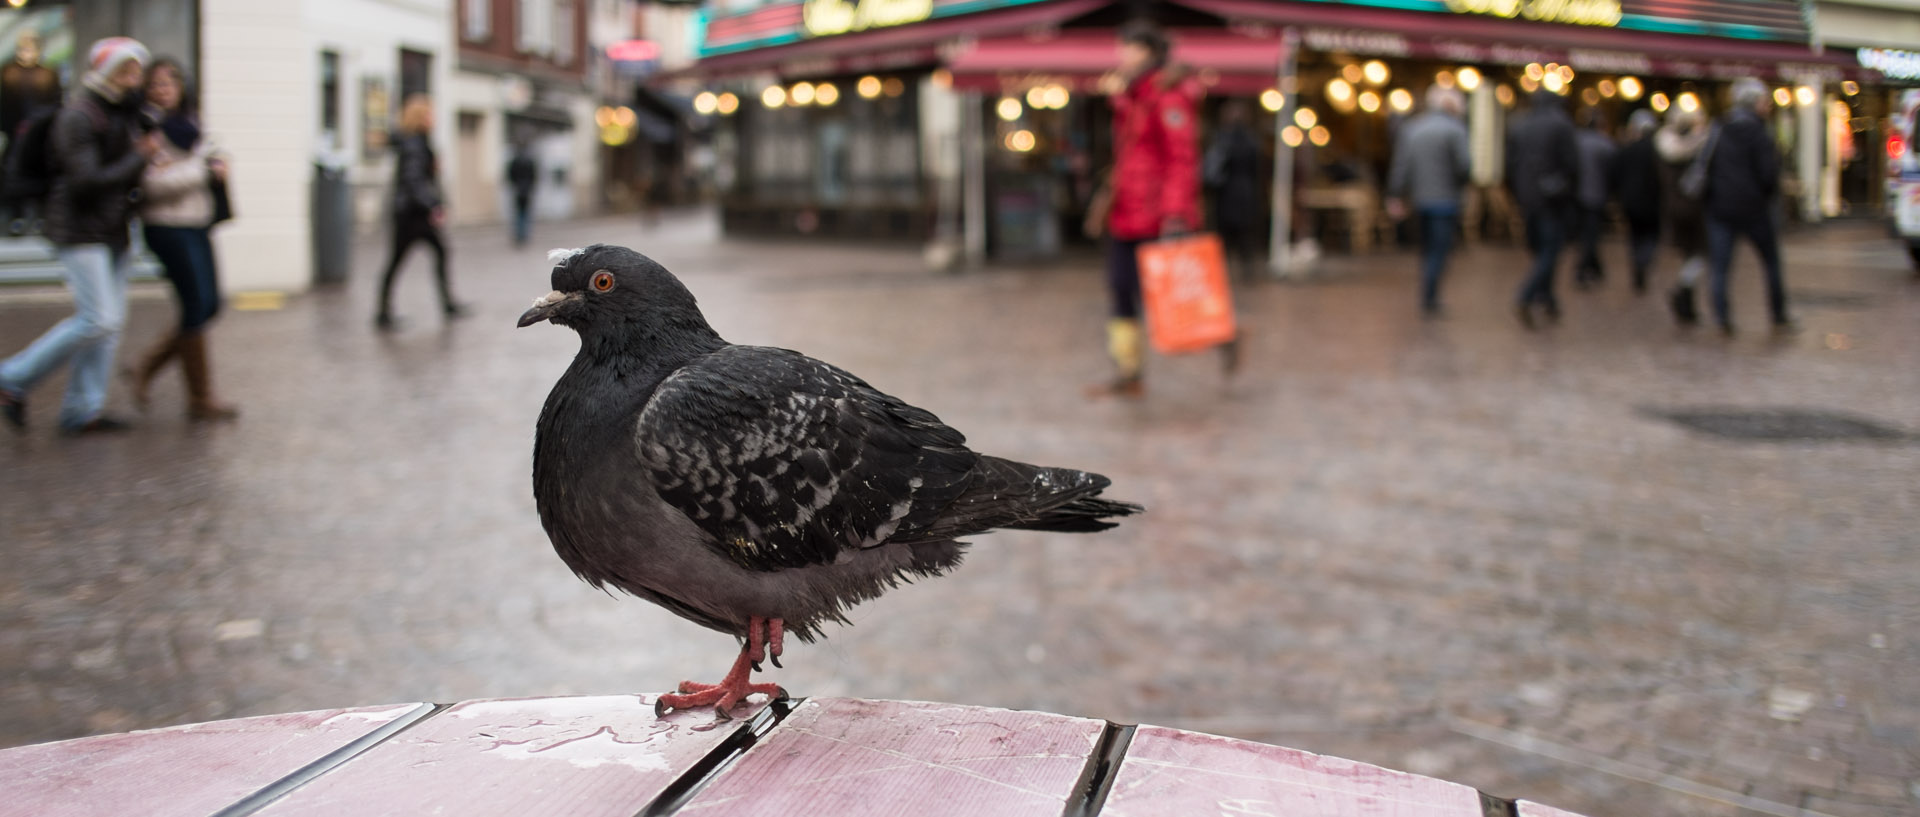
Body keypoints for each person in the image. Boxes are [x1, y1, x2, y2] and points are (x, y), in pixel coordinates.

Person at [0, 37, 156, 435]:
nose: (136, 76)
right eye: (127, 67)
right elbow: (86, 181)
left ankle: (83, 410)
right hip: (78, 229)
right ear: (107, 70)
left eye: (138, 68)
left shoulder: (127, 112)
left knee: (110, 325)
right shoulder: (79, 115)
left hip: (113, 229)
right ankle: (11, 377)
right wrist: (139, 156)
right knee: (98, 319)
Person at [1088, 22, 1202, 398]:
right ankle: (1129, 372)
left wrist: (1174, 213)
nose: (1123, 56)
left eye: (1131, 49)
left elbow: (1181, 158)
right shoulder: (1131, 96)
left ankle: (1226, 337)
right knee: (1121, 288)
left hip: (1155, 213)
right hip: (1127, 211)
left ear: (1151, 54)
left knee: (1169, 299)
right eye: (1121, 48)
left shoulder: (1167, 97)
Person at [125, 57, 237, 421]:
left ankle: (147, 366)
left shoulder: (190, 124)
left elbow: (208, 158)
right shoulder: (145, 131)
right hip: (166, 226)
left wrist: (218, 164)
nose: (163, 90)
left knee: (210, 305)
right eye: (155, 84)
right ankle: (200, 398)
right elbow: (152, 185)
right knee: (195, 304)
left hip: (196, 222)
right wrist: (203, 171)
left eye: (169, 83)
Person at [1703, 77, 1791, 335]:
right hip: (1754, 209)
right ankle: (1778, 314)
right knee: (1771, 262)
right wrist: (1765, 197)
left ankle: (1721, 317)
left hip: (1721, 207)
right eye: (1764, 101)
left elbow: (1706, 165)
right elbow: (1768, 174)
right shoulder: (1759, 131)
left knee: (1720, 266)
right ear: (1754, 103)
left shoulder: (1720, 127)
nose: (1768, 106)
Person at [375, 93, 465, 330]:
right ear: (419, 117)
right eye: (429, 113)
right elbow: (413, 181)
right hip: (412, 215)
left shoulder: (417, 142)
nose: (433, 117)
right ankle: (384, 313)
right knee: (400, 261)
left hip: (411, 212)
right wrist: (433, 205)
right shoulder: (415, 144)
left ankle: (446, 305)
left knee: (436, 254)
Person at [1386, 85, 1470, 317]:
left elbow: (1401, 165)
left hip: (1420, 200)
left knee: (1427, 249)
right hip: (1446, 200)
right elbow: (1464, 166)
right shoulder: (1455, 129)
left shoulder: (1412, 128)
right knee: (1440, 250)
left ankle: (1428, 293)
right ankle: (1431, 297)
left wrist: (1395, 194)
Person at [1505, 89, 1581, 329]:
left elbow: (1509, 165)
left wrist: (1517, 192)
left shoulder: (1520, 124)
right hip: (1552, 199)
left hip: (1528, 198)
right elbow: (1572, 165)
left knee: (1539, 248)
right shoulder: (1561, 124)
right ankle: (1527, 294)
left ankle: (1547, 298)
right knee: (1550, 250)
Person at [1, 32, 63, 235]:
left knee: (41, 175)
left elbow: (55, 101)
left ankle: (40, 215)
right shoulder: (7, 72)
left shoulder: (48, 73)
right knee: (12, 174)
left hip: (41, 135)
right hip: (14, 132)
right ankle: (15, 215)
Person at [1656, 108, 1712, 324]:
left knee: (1689, 254)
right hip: (1693, 209)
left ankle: (1685, 295)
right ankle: (1684, 292)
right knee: (1698, 253)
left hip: (1672, 208)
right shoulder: (1698, 148)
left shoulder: (1662, 146)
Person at [1204, 100, 1262, 282]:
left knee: (1232, 235)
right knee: (1239, 235)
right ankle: (1241, 270)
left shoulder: (1224, 139)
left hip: (1229, 192)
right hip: (1242, 192)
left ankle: (1228, 270)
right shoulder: (1249, 139)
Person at [1611, 109, 1662, 293]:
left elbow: (1615, 174)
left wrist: (1618, 197)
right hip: (1651, 201)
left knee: (1635, 236)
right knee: (1650, 235)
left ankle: (1638, 264)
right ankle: (1643, 261)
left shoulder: (1626, 149)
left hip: (1631, 201)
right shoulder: (1658, 151)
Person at [1571, 108, 1617, 289]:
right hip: (1595, 195)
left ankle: (1593, 266)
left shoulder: (1577, 141)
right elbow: (1613, 171)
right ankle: (1584, 268)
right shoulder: (1604, 144)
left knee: (1585, 233)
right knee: (1591, 233)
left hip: (1577, 195)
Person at [506, 142, 537, 247]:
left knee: (519, 214)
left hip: (518, 190)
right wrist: (529, 186)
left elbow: (510, 175)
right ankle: (523, 234)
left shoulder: (515, 161)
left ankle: (519, 234)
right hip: (526, 190)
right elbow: (534, 175)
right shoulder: (529, 161)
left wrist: (515, 185)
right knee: (525, 214)